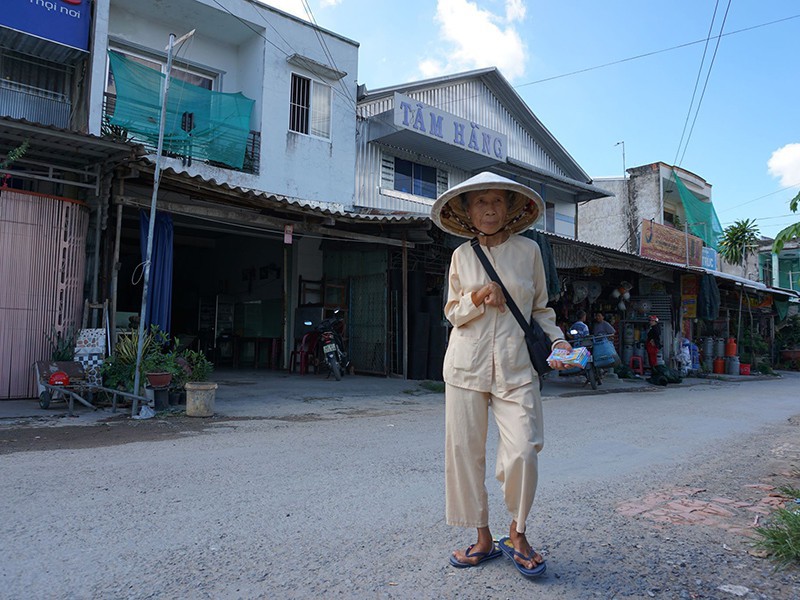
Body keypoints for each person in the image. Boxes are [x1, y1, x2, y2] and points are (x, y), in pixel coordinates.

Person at [431, 171, 573, 578]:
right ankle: (482, 537)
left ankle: (518, 531)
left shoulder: (529, 251)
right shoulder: (460, 256)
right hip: (465, 366)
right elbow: (453, 312)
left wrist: (559, 341)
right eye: (480, 202)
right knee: (464, 455)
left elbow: (541, 309)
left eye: (497, 201)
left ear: (511, 209)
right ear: (467, 211)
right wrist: (477, 296)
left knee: (524, 449)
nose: (489, 208)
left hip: (517, 366)